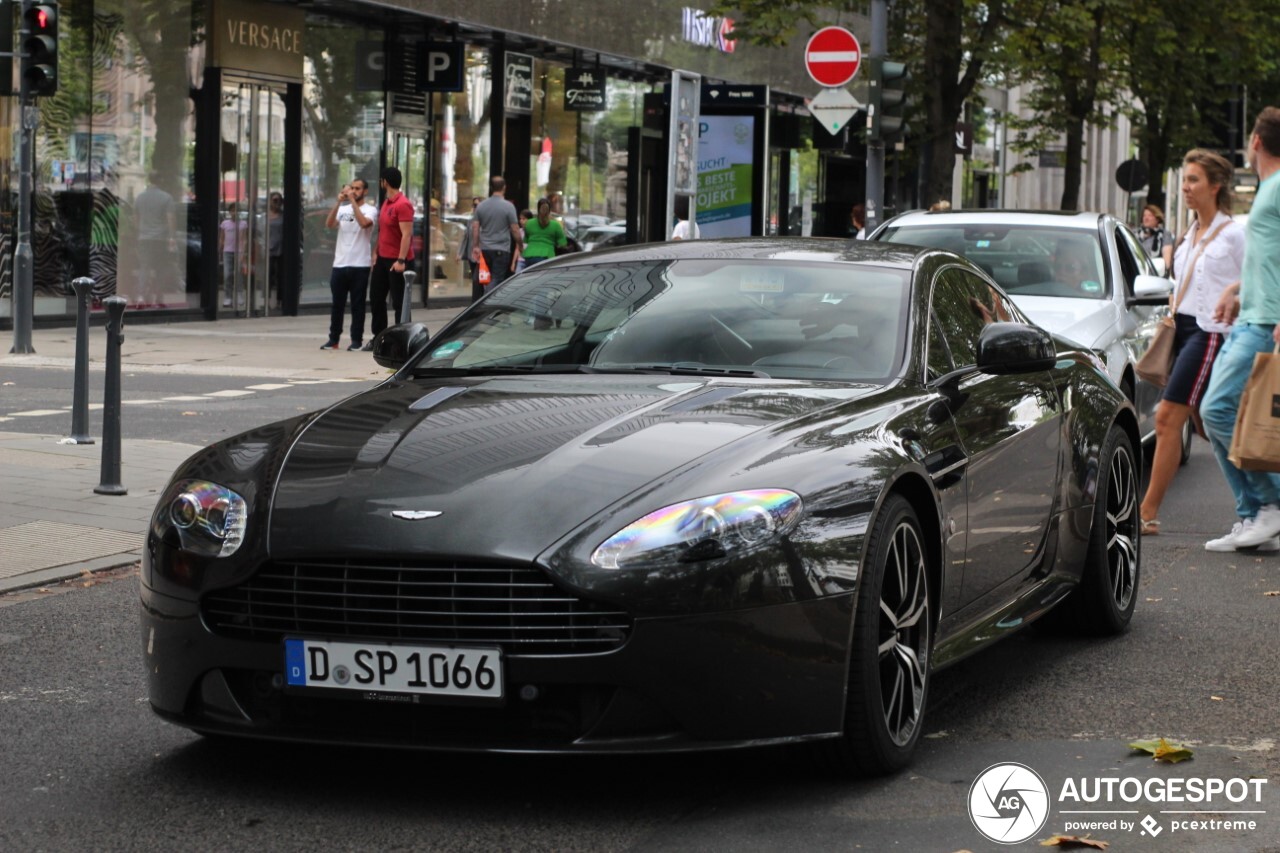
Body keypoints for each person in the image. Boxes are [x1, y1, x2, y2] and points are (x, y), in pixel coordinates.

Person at [1138, 150, 1244, 537]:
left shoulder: (1234, 234)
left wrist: (1238, 294)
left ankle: (1146, 512)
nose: (1186, 186)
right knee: (1208, 426)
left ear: (1215, 186)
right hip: (1181, 331)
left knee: (1167, 418)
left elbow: (1263, 279)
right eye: (1185, 179)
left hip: (1210, 333)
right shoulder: (1187, 235)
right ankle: (1260, 502)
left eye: (1194, 179)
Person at [1199, 106, 1280, 551]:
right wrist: (1237, 288)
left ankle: (1268, 506)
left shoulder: (1278, 186)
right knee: (1226, 414)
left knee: (1216, 410)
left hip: (1265, 322)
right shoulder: (1269, 189)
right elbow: (1270, 261)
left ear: (1255, 142)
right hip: (1255, 314)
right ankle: (1255, 519)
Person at [321, 179, 376, 351]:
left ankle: (356, 340)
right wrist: (339, 201)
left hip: (360, 264)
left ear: (365, 191)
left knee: (357, 304)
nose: (354, 191)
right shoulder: (343, 209)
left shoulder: (370, 210)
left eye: (357, 189)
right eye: (352, 188)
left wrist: (352, 201)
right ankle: (333, 339)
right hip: (340, 263)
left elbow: (364, 224)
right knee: (337, 304)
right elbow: (329, 224)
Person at [366, 166, 416, 347]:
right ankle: (379, 338)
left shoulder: (403, 204)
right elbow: (383, 232)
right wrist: (375, 252)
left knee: (399, 302)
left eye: (381, 181)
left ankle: (402, 340)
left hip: (399, 260)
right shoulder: (387, 203)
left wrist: (401, 260)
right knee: (376, 298)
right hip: (383, 258)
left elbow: (406, 235)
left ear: (385, 182)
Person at [471, 175, 521, 291]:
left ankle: (481, 301)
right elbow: (515, 228)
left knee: (484, 276)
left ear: (491, 188)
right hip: (501, 249)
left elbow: (475, 227)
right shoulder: (509, 206)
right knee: (496, 279)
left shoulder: (481, 206)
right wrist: (520, 244)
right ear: (504, 187)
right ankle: (487, 303)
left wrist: (476, 246)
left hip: (485, 248)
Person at [134, 172, 175, 305]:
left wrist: (139, 232)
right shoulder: (167, 198)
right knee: (160, 268)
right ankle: (159, 297)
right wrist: (171, 236)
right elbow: (170, 219)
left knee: (144, 267)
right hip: (160, 238)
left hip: (144, 238)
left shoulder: (140, 198)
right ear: (160, 180)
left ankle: (140, 296)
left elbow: (136, 219)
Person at [1138, 203, 1175, 273]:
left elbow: (1166, 262)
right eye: (1144, 215)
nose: (1146, 218)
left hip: (1154, 274)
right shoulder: (1135, 234)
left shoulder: (1164, 235)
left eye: (1150, 215)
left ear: (1157, 219)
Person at [266, 192, 284, 307]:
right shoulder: (265, 216)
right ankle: (266, 301)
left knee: (280, 276)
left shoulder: (283, 215)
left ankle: (279, 300)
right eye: (274, 200)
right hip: (268, 250)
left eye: (279, 201)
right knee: (268, 277)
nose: (277, 203)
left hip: (281, 250)